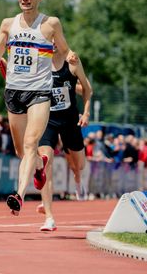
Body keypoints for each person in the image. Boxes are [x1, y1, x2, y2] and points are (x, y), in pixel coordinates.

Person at [0, 0, 77, 215]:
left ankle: (19, 194)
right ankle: (39, 166)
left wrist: (70, 58)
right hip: (14, 92)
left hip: (39, 91)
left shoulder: (50, 24)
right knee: (21, 150)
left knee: (30, 143)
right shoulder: (8, 24)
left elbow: (67, 50)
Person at [36, 50, 92, 231]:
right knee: (45, 163)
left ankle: (77, 177)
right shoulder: (38, 62)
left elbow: (88, 89)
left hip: (70, 120)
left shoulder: (73, 61)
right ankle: (49, 217)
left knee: (79, 165)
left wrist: (86, 112)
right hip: (47, 120)